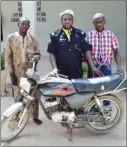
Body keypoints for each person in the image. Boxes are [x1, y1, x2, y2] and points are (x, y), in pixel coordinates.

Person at [5, 17, 42, 125]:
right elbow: (8, 57)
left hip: (30, 71)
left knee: (34, 95)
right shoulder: (11, 38)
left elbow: (38, 54)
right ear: (18, 24)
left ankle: (34, 116)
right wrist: (11, 74)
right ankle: (17, 115)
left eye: (27, 25)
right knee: (18, 95)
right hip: (17, 72)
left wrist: (34, 57)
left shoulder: (33, 38)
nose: (25, 26)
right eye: (23, 24)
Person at [47, 9, 103, 79]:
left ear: (73, 21)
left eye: (69, 19)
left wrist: (92, 67)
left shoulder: (80, 34)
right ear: (61, 21)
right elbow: (52, 53)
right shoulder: (55, 35)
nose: (67, 21)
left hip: (77, 72)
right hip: (61, 72)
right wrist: (54, 68)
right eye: (65, 19)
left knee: (76, 89)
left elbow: (86, 50)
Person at [87, 13, 123, 107]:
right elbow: (86, 53)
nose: (99, 24)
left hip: (106, 67)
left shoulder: (110, 35)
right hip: (93, 68)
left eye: (100, 22)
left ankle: (106, 110)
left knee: (106, 90)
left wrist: (119, 67)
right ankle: (93, 109)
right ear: (93, 23)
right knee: (92, 89)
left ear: (104, 22)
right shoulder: (89, 35)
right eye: (96, 22)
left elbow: (116, 52)